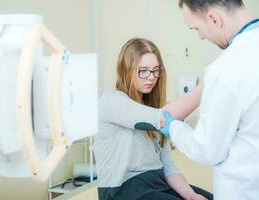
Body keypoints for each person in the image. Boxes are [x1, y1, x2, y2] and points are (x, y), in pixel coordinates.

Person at [160, 1, 259, 199]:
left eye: (197, 28)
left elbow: (207, 150)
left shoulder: (226, 70)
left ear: (214, 19)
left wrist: (172, 128)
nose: (201, 36)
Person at [94, 38, 213, 200]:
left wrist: (191, 196)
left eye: (156, 70)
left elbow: (168, 166)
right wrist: (210, 82)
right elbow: (163, 118)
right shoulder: (111, 101)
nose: (151, 77)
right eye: (143, 71)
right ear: (126, 70)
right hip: (122, 190)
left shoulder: (151, 109)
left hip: (157, 183)